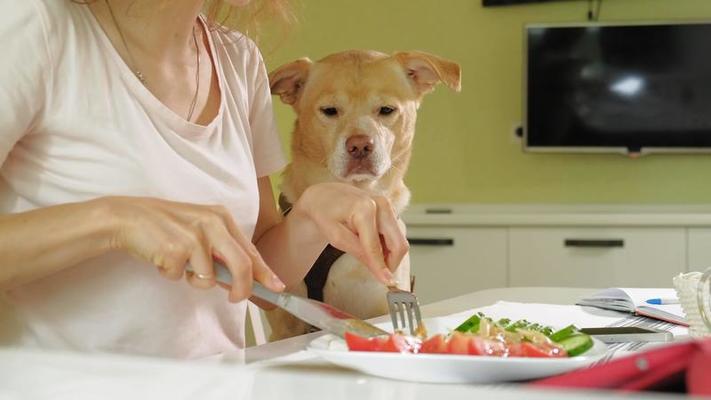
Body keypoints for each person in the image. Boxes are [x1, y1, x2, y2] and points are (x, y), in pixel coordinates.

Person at [0, 0, 408, 358]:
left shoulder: (237, 60)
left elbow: (260, 275)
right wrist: (113, 221)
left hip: (219, 384)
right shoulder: (33, 29)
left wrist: (309, 217)